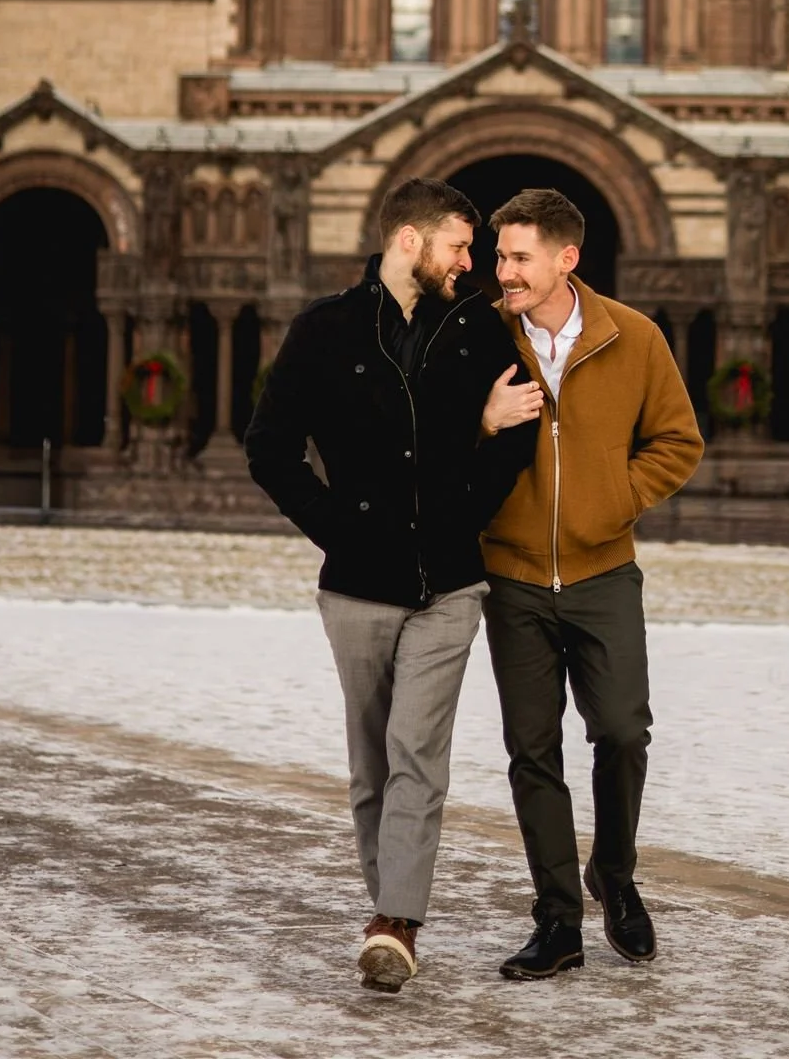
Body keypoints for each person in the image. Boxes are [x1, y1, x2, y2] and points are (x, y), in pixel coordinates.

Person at [245, 177, 543, 993]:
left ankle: (395, 920)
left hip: (449, 584)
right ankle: (388, 902)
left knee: (417, 752)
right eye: (458, 244)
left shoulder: (478, 328)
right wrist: (336, 527)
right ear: (408, 241)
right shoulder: (325, 328)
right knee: (371, 762)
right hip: (354, 588)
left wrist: (466, 502)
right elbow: (268, 447)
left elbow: (520, 430)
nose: (469, 262)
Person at [479, 186, 704, 979]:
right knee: (531, 750)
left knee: (620, 731)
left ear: (565, 259)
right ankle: (556, 922)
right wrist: (480, 424)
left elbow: (678, 441)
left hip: (604, 569)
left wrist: (614, 500)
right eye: (499, 255)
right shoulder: (480, 336)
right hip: (509, 577)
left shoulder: (632, 337)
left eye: (517, 256)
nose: (500, 269)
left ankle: (614, 873)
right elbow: (436, 437)